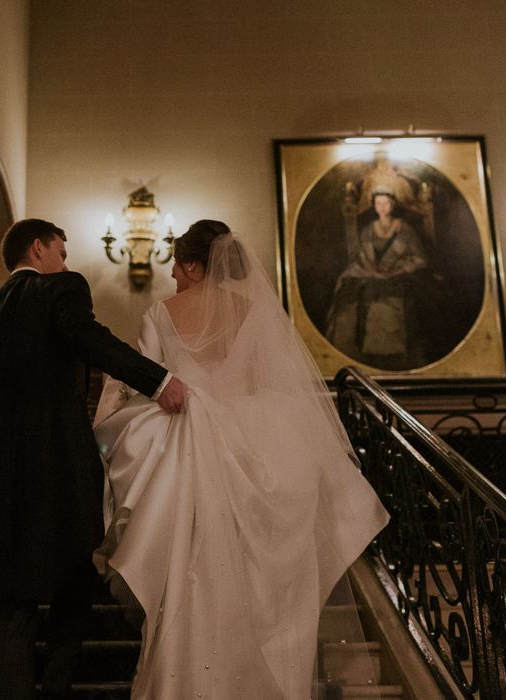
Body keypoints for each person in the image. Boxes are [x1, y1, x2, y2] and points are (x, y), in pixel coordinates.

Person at [93, 220, 390, 699]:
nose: (171, 273)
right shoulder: (254, 311)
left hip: (187, 450)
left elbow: (149, 385)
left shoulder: (161, 313)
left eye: (175, 263)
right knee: (259, 573)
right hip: (259, 445)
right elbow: (264, 379)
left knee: (190, 571)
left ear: (191, 263)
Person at [0, 218, 187, 699]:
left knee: (8, 601)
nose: (65, 260)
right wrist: (158, 381)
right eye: (61, 250)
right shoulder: (61, 289)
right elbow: (90, 339)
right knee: (75, 576)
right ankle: (55, 689)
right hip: (57, 463)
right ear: (38, 249)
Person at [324, 188, 429, 370]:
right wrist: (372, 270)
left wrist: (398, 270)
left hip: (399, 278)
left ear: (393, 205)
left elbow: (420, 259)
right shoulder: (368, 230)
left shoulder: (404, 229)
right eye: (378, 203)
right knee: (348, 291)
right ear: (374, 205)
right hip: (371, 275)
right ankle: (359, 350)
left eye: (386, 203)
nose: (382, 207)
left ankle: (396, 353)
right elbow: (361, 256)